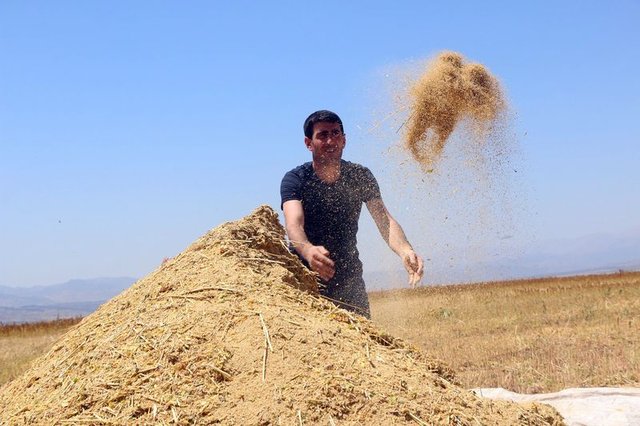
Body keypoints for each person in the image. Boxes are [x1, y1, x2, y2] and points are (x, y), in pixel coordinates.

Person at [280, 110, 424, 318]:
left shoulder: (359, 176)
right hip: (305, 278)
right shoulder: (296, 179)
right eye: (322, 135)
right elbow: (294, 224)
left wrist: (405, 251)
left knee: (362, 336)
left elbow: (385, 221)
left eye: (335, 133)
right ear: (308, 143)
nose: (331, 141)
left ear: (344, 140)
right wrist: (309, 251)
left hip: (349, 279)